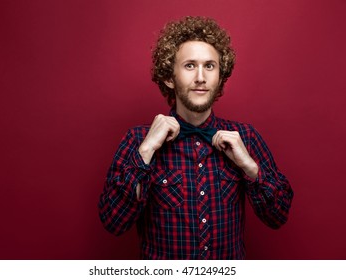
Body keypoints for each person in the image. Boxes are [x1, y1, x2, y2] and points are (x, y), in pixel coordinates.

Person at [99, 16, 293, 260]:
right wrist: (146, 151)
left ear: (220, 77)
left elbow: (279, 216)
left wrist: (250, 167)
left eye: (209, 66)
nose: (200, 77)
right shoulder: (138, 140)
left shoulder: (245, 137)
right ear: (170, 77)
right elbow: (113, 222)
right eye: (190, 65)